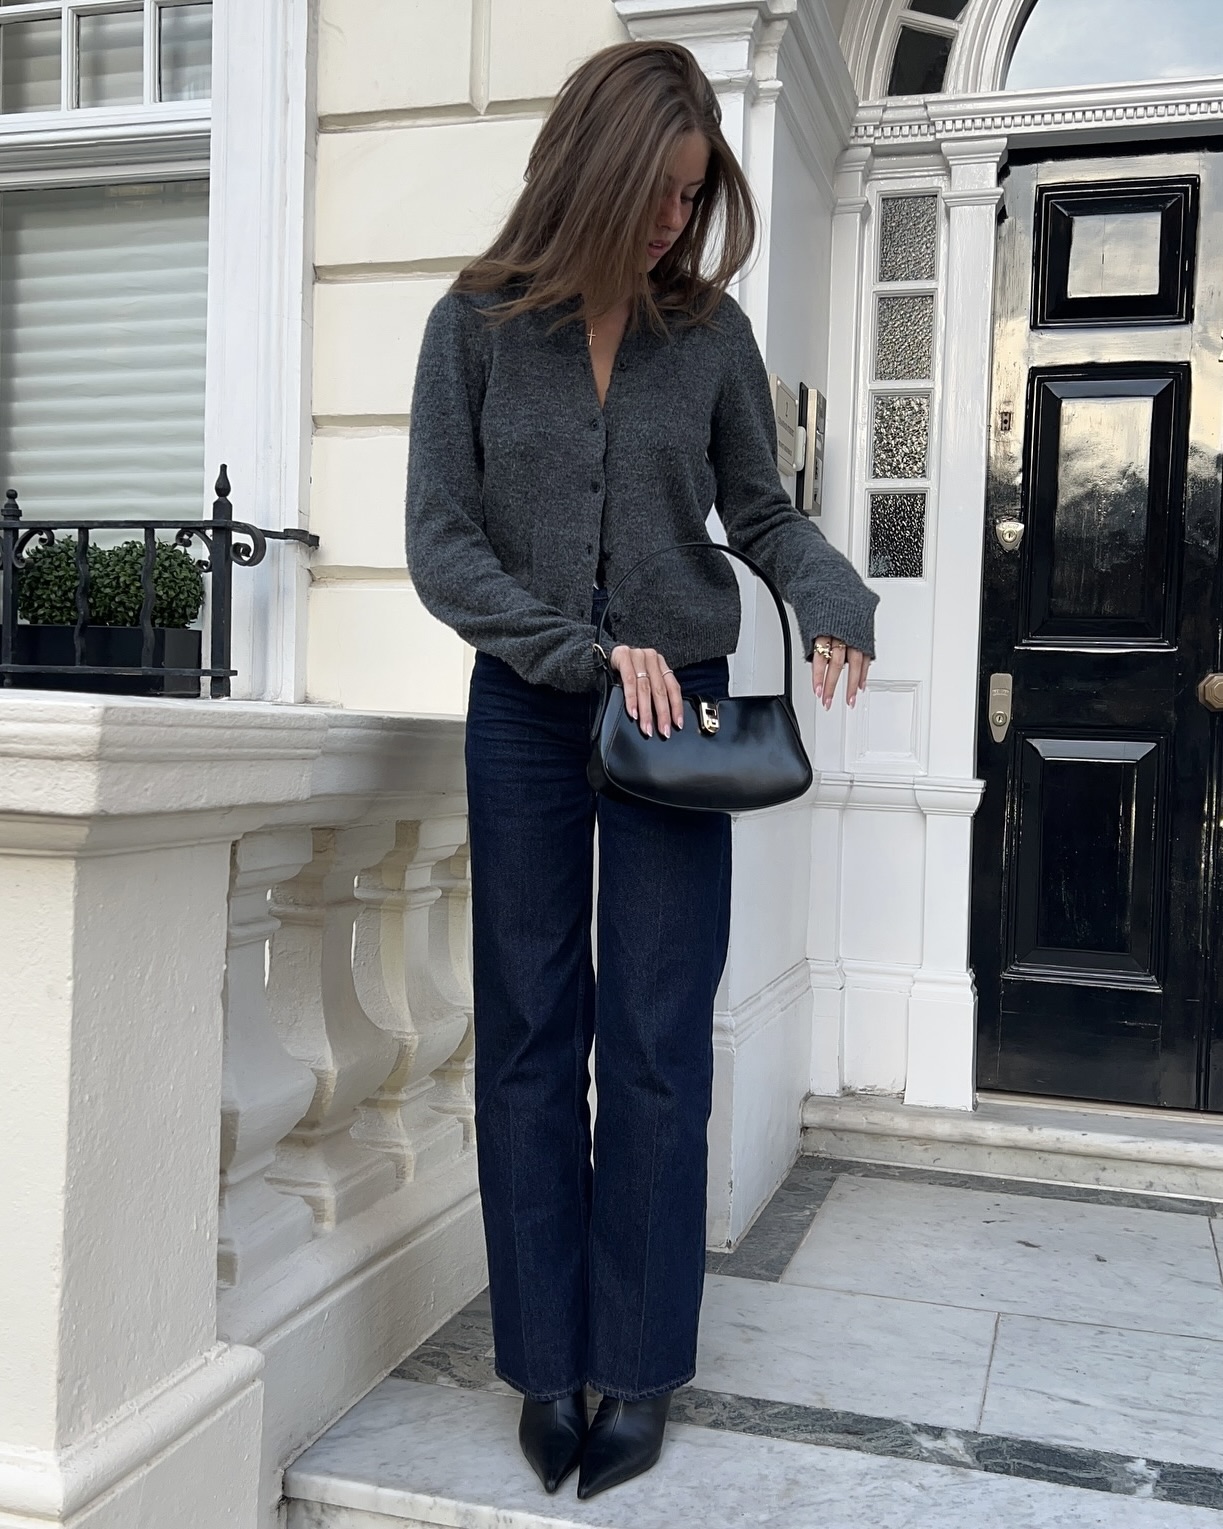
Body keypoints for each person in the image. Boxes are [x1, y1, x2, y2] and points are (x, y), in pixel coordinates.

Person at [405, 39, 877, 1501]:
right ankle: (547, 1360)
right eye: (661, 192)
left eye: (695, 193)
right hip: (531, 711)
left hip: (680, 726)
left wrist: (833, 593)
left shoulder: (711, 337)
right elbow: (443, 547)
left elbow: (760, 511)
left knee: (659, 1040)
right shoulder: (474, 327)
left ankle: (643, 1360)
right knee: (532, 1032)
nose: (678, 220)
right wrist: (585, 654)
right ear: (594, 172)